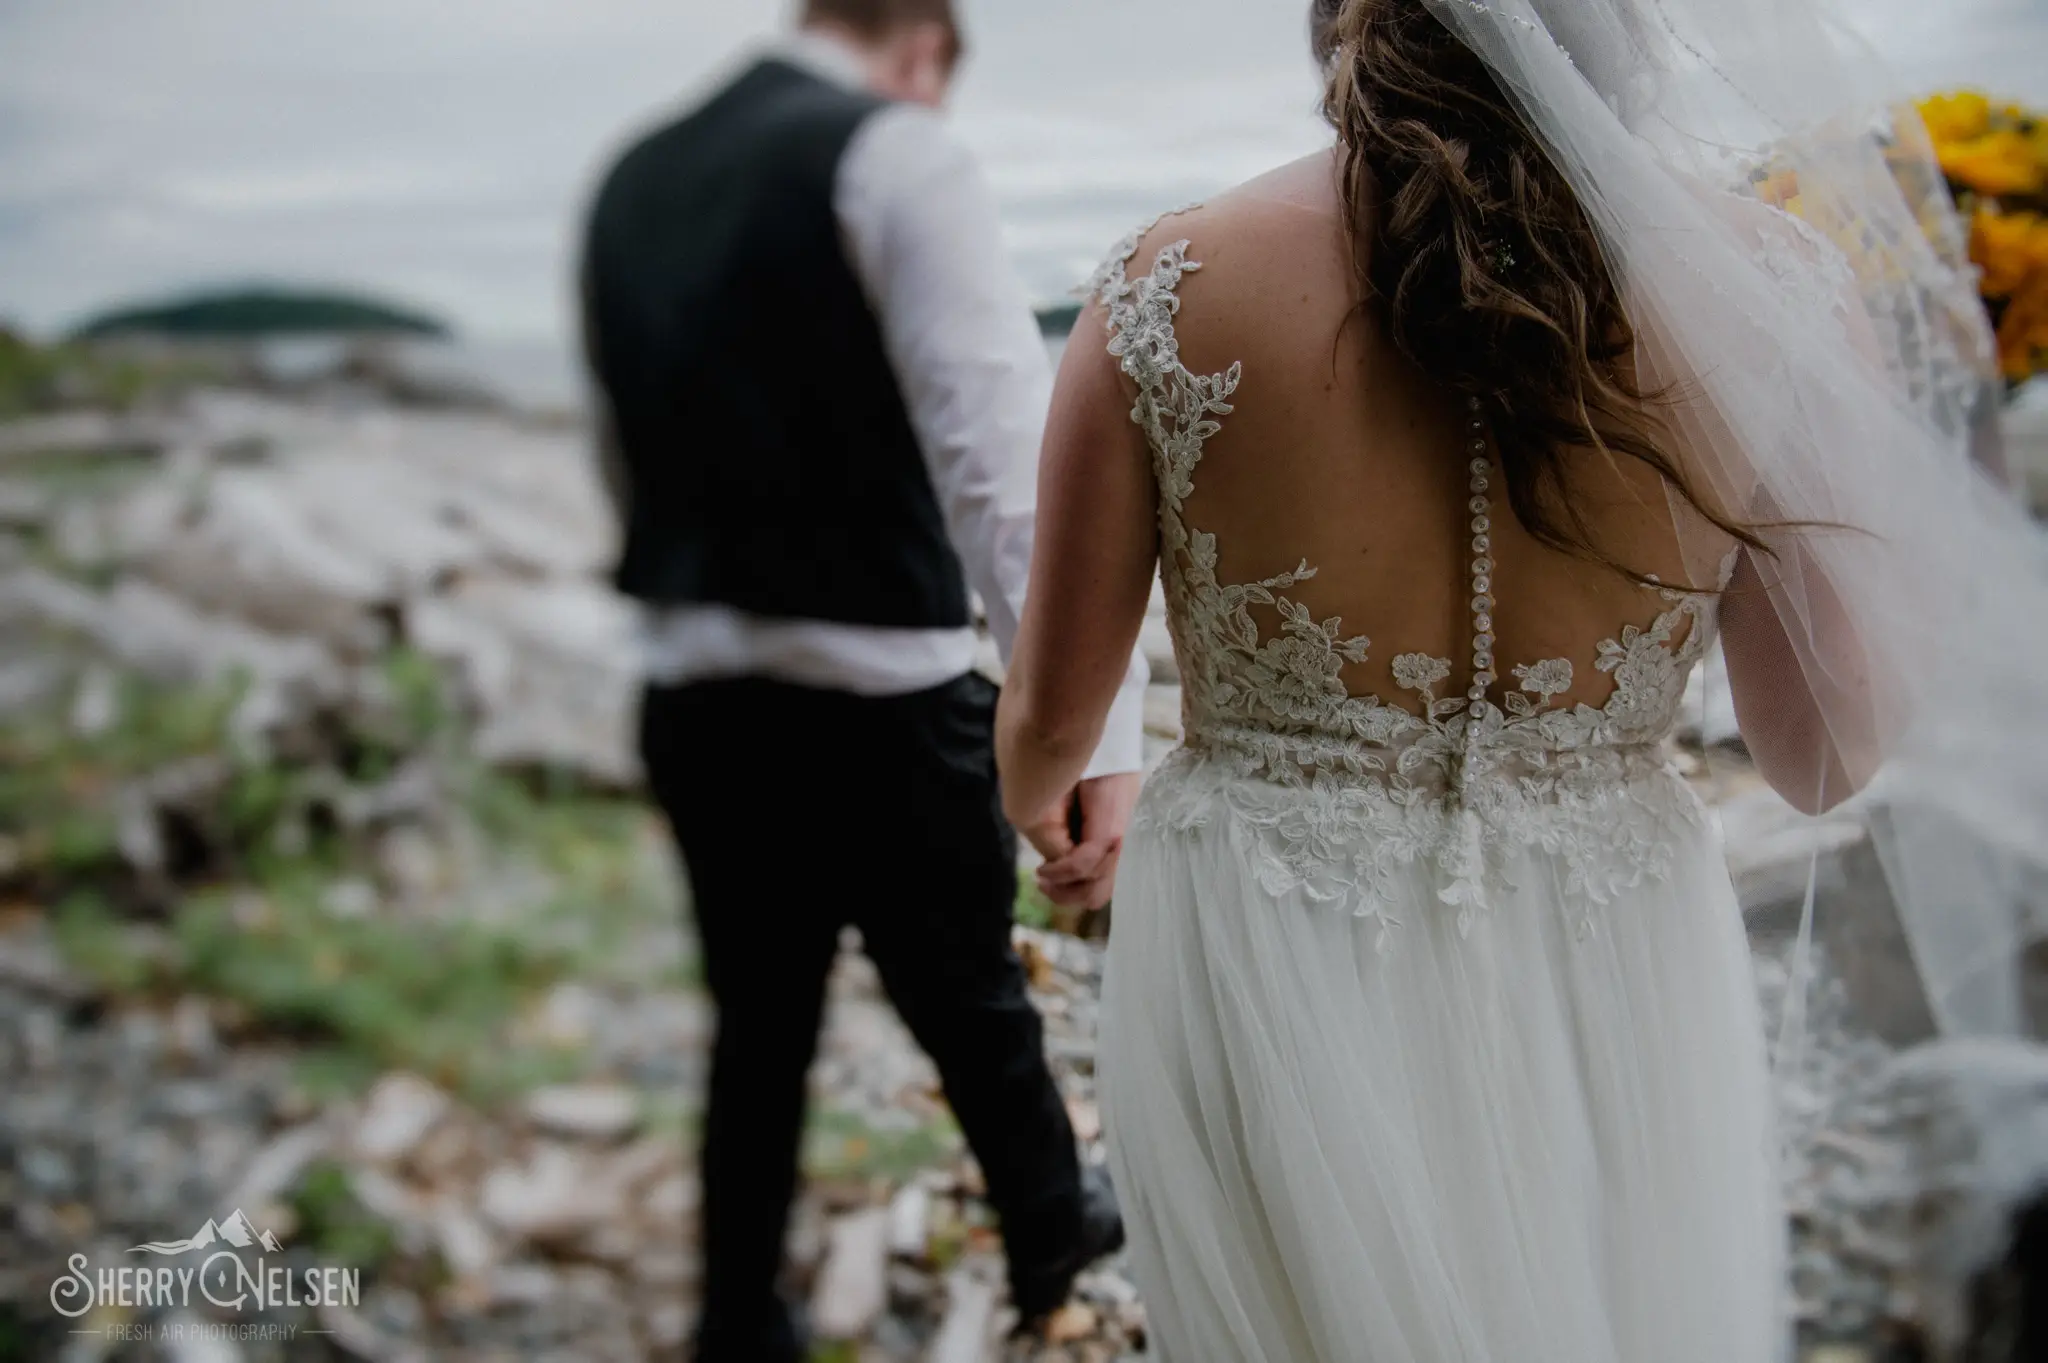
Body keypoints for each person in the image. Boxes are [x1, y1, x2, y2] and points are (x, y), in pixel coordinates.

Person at [997, 0, 2035, 1358]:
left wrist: (1049, 797)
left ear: (1338, 23)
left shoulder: (1166, 281)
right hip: (1612, 932)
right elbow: (1819, 754)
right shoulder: (1769, 287)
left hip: (1269, 929)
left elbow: (1052, 719)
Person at [578, 2, 1144, 1357]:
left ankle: (735, 1312)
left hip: (698, 696)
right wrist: (1094, 738)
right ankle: (1051, 1229)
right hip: (883, 700)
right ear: (924, 51)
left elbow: (625, 443)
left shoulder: (633, 173)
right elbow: (1003, 467)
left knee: (756, 1025)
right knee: (973, 1000)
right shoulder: (897, 153)